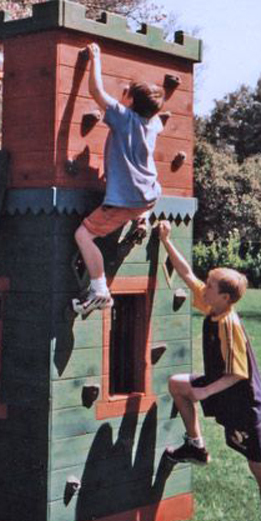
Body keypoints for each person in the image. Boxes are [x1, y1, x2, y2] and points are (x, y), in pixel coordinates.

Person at [157, 220, 261, 521]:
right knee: (176, 383)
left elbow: (238, 373)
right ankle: (195, 445)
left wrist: (203, 392)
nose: (204, 288)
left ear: (224, 297)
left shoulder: (229, 323)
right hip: (220, 387)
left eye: (210, 286)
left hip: (243, 402)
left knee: (259, 466)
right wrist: (166, 242)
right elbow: (186, 274)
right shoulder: (214, 307)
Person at [72, 42, 165, 316]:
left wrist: (96, 58)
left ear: (131, 102)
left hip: (125, 201)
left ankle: (100, 289)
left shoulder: (125, 118)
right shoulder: (153, 123)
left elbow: (96, 91)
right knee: (138, 207)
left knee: (84, 235)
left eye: (126, 94)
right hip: (149, 195)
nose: (122, 95)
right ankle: (142, 220)